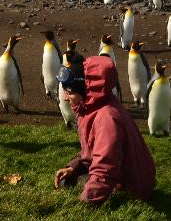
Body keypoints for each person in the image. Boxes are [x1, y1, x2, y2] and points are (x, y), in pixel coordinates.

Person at [53, 55, 156, 205]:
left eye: (69, 92)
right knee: (68, 178)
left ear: (86, 88)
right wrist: (73, 167)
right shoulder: (95, 106)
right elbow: (94, 151)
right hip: (131, 180)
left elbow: (105, 169)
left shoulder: (106, 118)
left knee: (68, 183)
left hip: (130, 190)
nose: (65, 97)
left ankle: (121, 196)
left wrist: (84, 205)